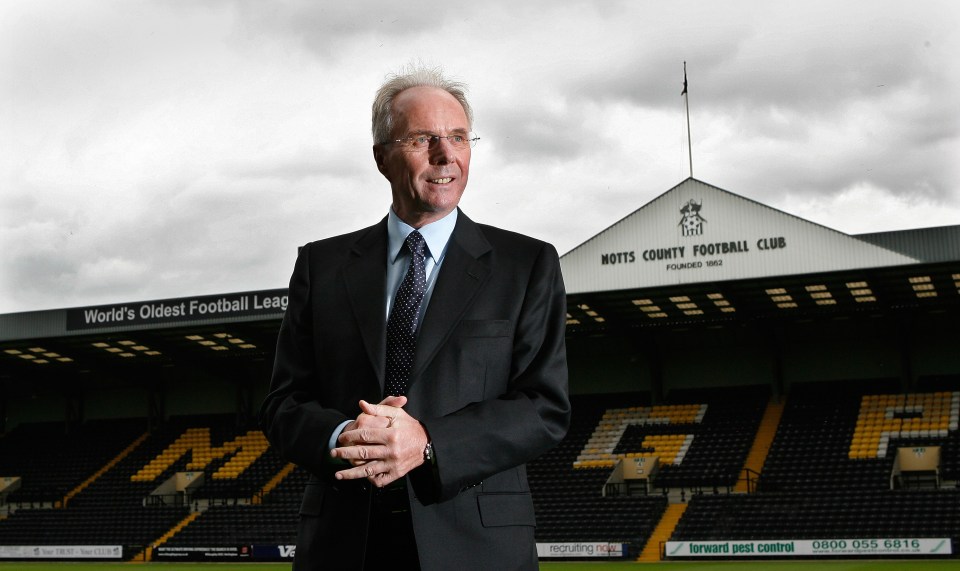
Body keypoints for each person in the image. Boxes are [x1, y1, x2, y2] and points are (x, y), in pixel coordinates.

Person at [259, 64, 570, 571]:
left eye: (459, 137)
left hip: (475, 547)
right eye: (424, 138)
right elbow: (283, 403)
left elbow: (544, 406)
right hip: (345, 544)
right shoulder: (323, 266)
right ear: (383, 156)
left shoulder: (526, 264)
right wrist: (346, 439)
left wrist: (427, 443)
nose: (446, 155)